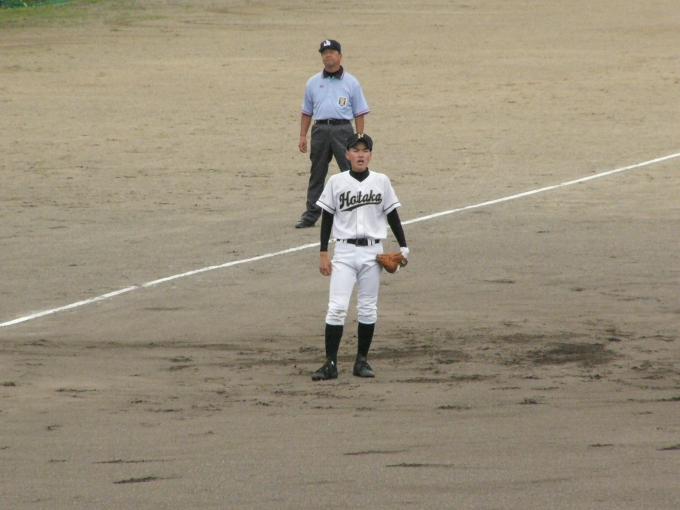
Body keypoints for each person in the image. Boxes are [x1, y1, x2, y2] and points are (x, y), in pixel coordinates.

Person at [311, 133, 409, 380]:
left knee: (367, 308)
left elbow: (392, 215)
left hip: (373, 254)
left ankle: (362, 361)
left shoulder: (381, 181)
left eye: (365, 150)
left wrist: (404, 247)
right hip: (344, 252)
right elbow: (327, 217)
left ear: (370, 155)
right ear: (347, 154)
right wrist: (323, 253)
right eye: (355, 150)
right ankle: (330, 363)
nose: (360, 155)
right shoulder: (336, 181)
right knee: (336, 308)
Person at [295, 39, 371, 229]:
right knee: (317, 172)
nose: (328, 55)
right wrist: (303, 135)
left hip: (342, 129)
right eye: (324, 52)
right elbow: (307, 112)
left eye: (332, 52)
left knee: (351, 170)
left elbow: (359, 113)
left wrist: (359, 138)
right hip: (320, 129)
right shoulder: (313, 82)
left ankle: (356, 211)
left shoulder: (351, 82)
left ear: (340, 56)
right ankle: (311, 214)